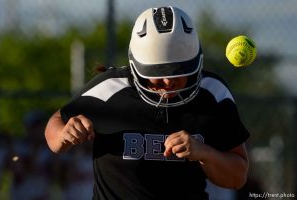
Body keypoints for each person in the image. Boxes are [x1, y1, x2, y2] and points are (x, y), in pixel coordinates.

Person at [45, 6, 250, 200]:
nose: (168, 82)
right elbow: (55, 128)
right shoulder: (111, 88)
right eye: (158, 73)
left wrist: (204, 153)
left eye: (179, 71)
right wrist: (64, 134)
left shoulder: (212, 93)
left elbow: (237, 177)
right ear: (138, 66)